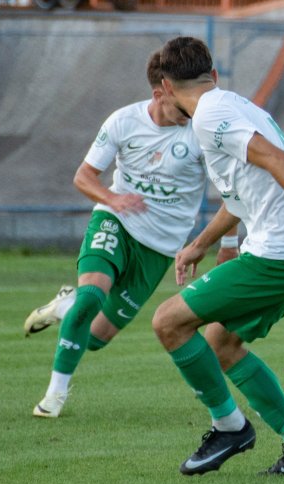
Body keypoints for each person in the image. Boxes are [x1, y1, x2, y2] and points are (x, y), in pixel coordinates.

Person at [149, 36, 284, 477]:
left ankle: (230, 428)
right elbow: (241, 196)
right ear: (214, 75)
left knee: (168, 322)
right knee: (221, 344)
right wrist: (202, 243)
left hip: (280, 252)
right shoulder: (231, 104)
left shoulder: (209, 115)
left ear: (166, 87)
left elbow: (276, 159)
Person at [25, 50, 207, 419]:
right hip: (114, 222)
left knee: (95, 338)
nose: (189, 114)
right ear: (160, 94)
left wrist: (227, 244)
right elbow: (84, 176)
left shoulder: (202, 133)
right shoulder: (124, 121)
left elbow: (231, 189)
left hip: (158, 248)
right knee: (91, 295)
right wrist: (113, 199)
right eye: (181, 107)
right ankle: (53, 396)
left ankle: (64, 305)